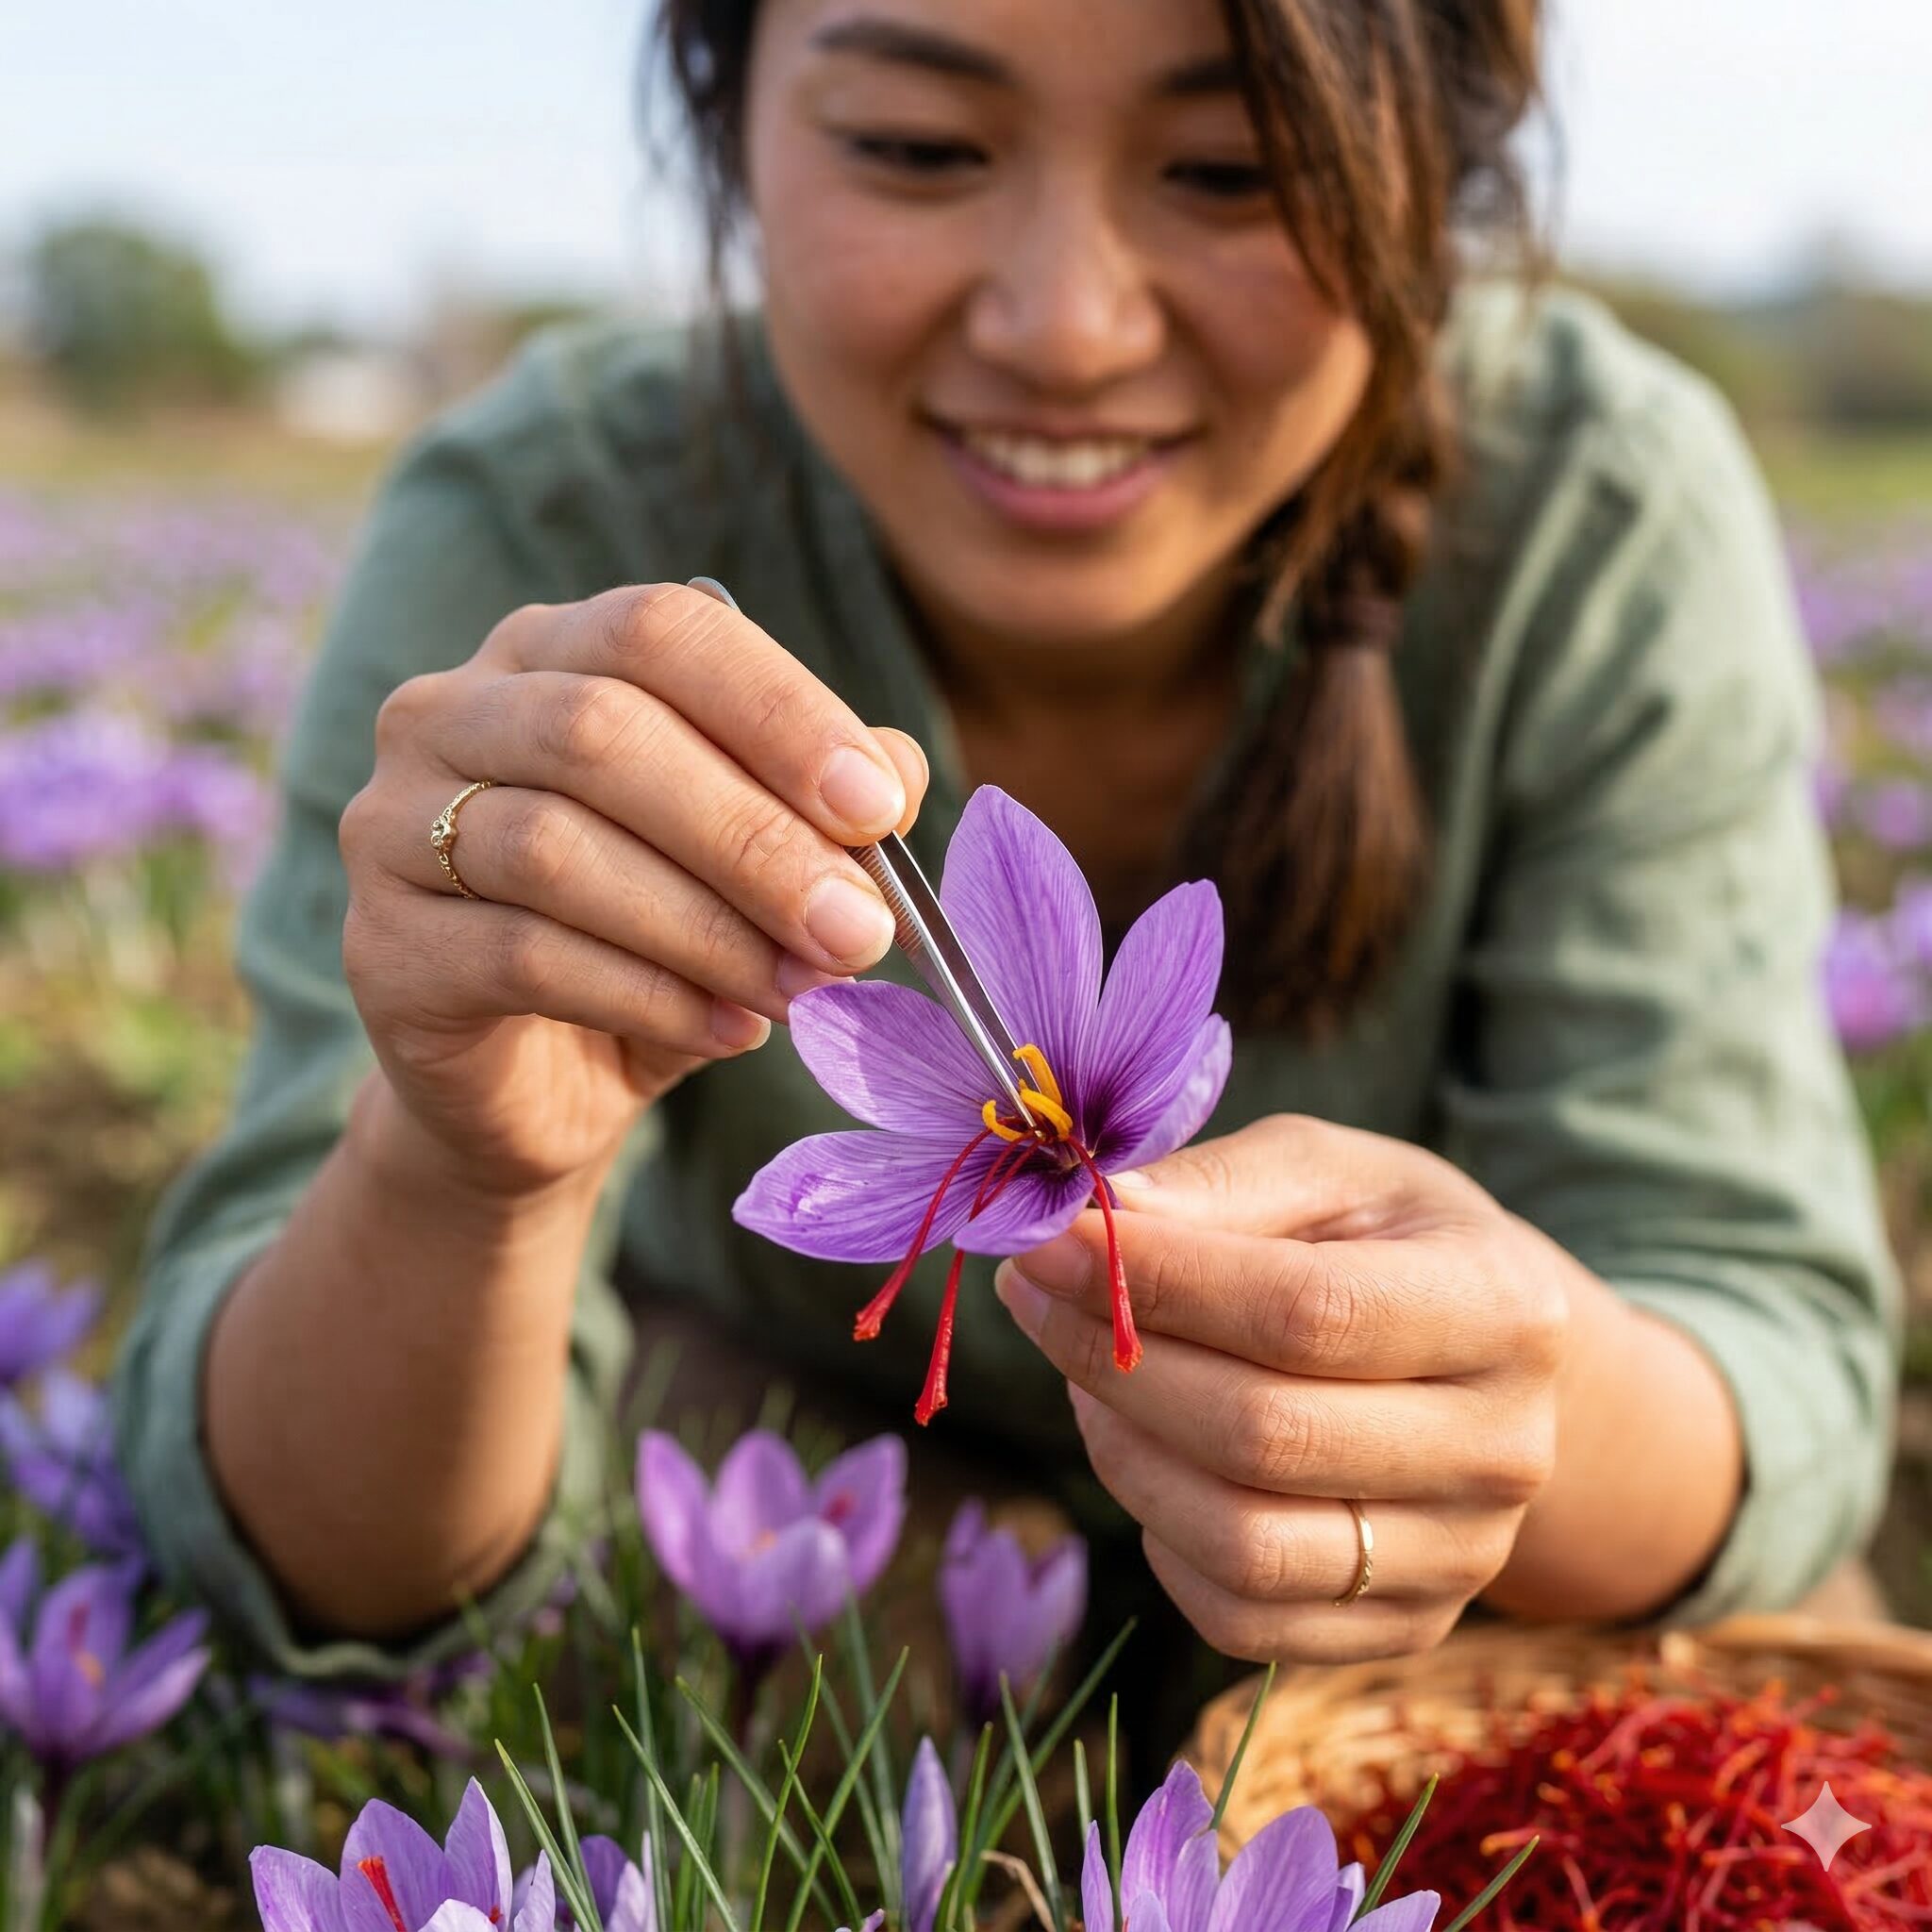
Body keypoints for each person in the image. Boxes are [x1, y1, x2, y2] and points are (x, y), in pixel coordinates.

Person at [114, 0, 1899, 1716]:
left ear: (1440, 163)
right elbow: (310, 1559)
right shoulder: (548, 520)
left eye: (1227, 166)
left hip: (1473, 1586)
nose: (1064, 323)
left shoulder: (1597, 515)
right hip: (809, 1482)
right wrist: (463, 1173)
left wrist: (1536, 1408)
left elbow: (1755, 1343)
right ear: (729, 118)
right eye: (916, 144)